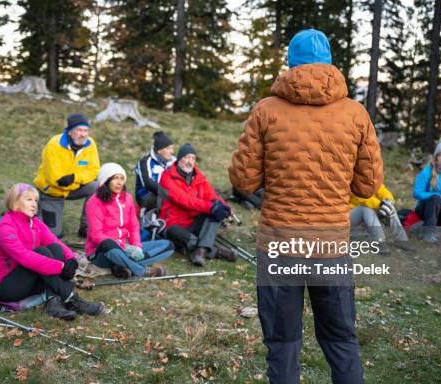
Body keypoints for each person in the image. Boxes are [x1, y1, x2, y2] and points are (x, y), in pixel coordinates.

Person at [229, 29, 383, 384]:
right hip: (330, 244)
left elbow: (244, 182)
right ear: (329, 62)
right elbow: (367, 185)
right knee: (342, 340)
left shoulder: (265, 111)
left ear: (291, 63)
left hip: (280, 244)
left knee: (282, 343)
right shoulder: (355, 114)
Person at [0, 183, 104, 320]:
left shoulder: (34, 222)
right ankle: (71, 299)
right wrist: (61, 267)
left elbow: (54, 241)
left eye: (36, 201)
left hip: (27, 278)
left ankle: (53, 303)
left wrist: (71, 260)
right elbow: (24, 257)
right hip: (5, 287)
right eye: (29, 200)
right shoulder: (5, 227)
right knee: (42, 252)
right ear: (15, 201)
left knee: (55, 249)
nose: (34, 204)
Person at [85, 163, 175, 278]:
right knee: (108, 244)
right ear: (106, 180)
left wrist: (136, 246)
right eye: (115, 178)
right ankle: (142, 271)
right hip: (102, 251)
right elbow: (95, 235)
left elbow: (133, 226)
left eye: (122, 178)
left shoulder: (127, 198)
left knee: (168, 245)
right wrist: (123, 247)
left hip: (127, 248)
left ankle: (123, 265)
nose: (119, 182)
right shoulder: (94, 202)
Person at [160, 144, 237, 267]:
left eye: (193, 158)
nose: (190, 161)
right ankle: (216, 251)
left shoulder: (198, 177)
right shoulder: (167, 177)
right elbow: (184, 200)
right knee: (184, 236)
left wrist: (225, 207)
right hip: (174, 224)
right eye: (187, 157)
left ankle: (200, 251)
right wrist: (211, 207)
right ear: (179, 159)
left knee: (217, 212)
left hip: (194, 221)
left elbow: (212, 196)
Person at [34, 113, 101, 238]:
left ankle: (86, 227)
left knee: (98, 186)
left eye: (86, 130)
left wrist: (74, 178)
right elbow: (55, 179)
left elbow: (94, 171)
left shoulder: (90, 144)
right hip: (52, 192)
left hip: (72, 186)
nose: (83, 134)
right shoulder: (54, 145)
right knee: (53, 235)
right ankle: (35, 208)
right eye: (79, 130)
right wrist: (77, 181)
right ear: (70, 131)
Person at [350, 183, 415, 254]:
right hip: (350, 214)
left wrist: (389, 201)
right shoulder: (352, 175)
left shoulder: (370, 175)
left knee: (390, 207)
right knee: (366, 209)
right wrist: (380, 204)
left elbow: (382, 190)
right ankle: (380, 242)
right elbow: (361, 197)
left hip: (369, 210)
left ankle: (401, 240)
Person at [135, 131, 176, 210]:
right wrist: (168, 192)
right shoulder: (145, 162)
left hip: (167, 193)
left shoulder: (173, 161)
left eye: (172, 148)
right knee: (163, 198)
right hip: (146, 196)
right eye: (168, 148)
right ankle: (145, 215)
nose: (172, 151)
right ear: (159, 150)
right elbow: (148, 183)